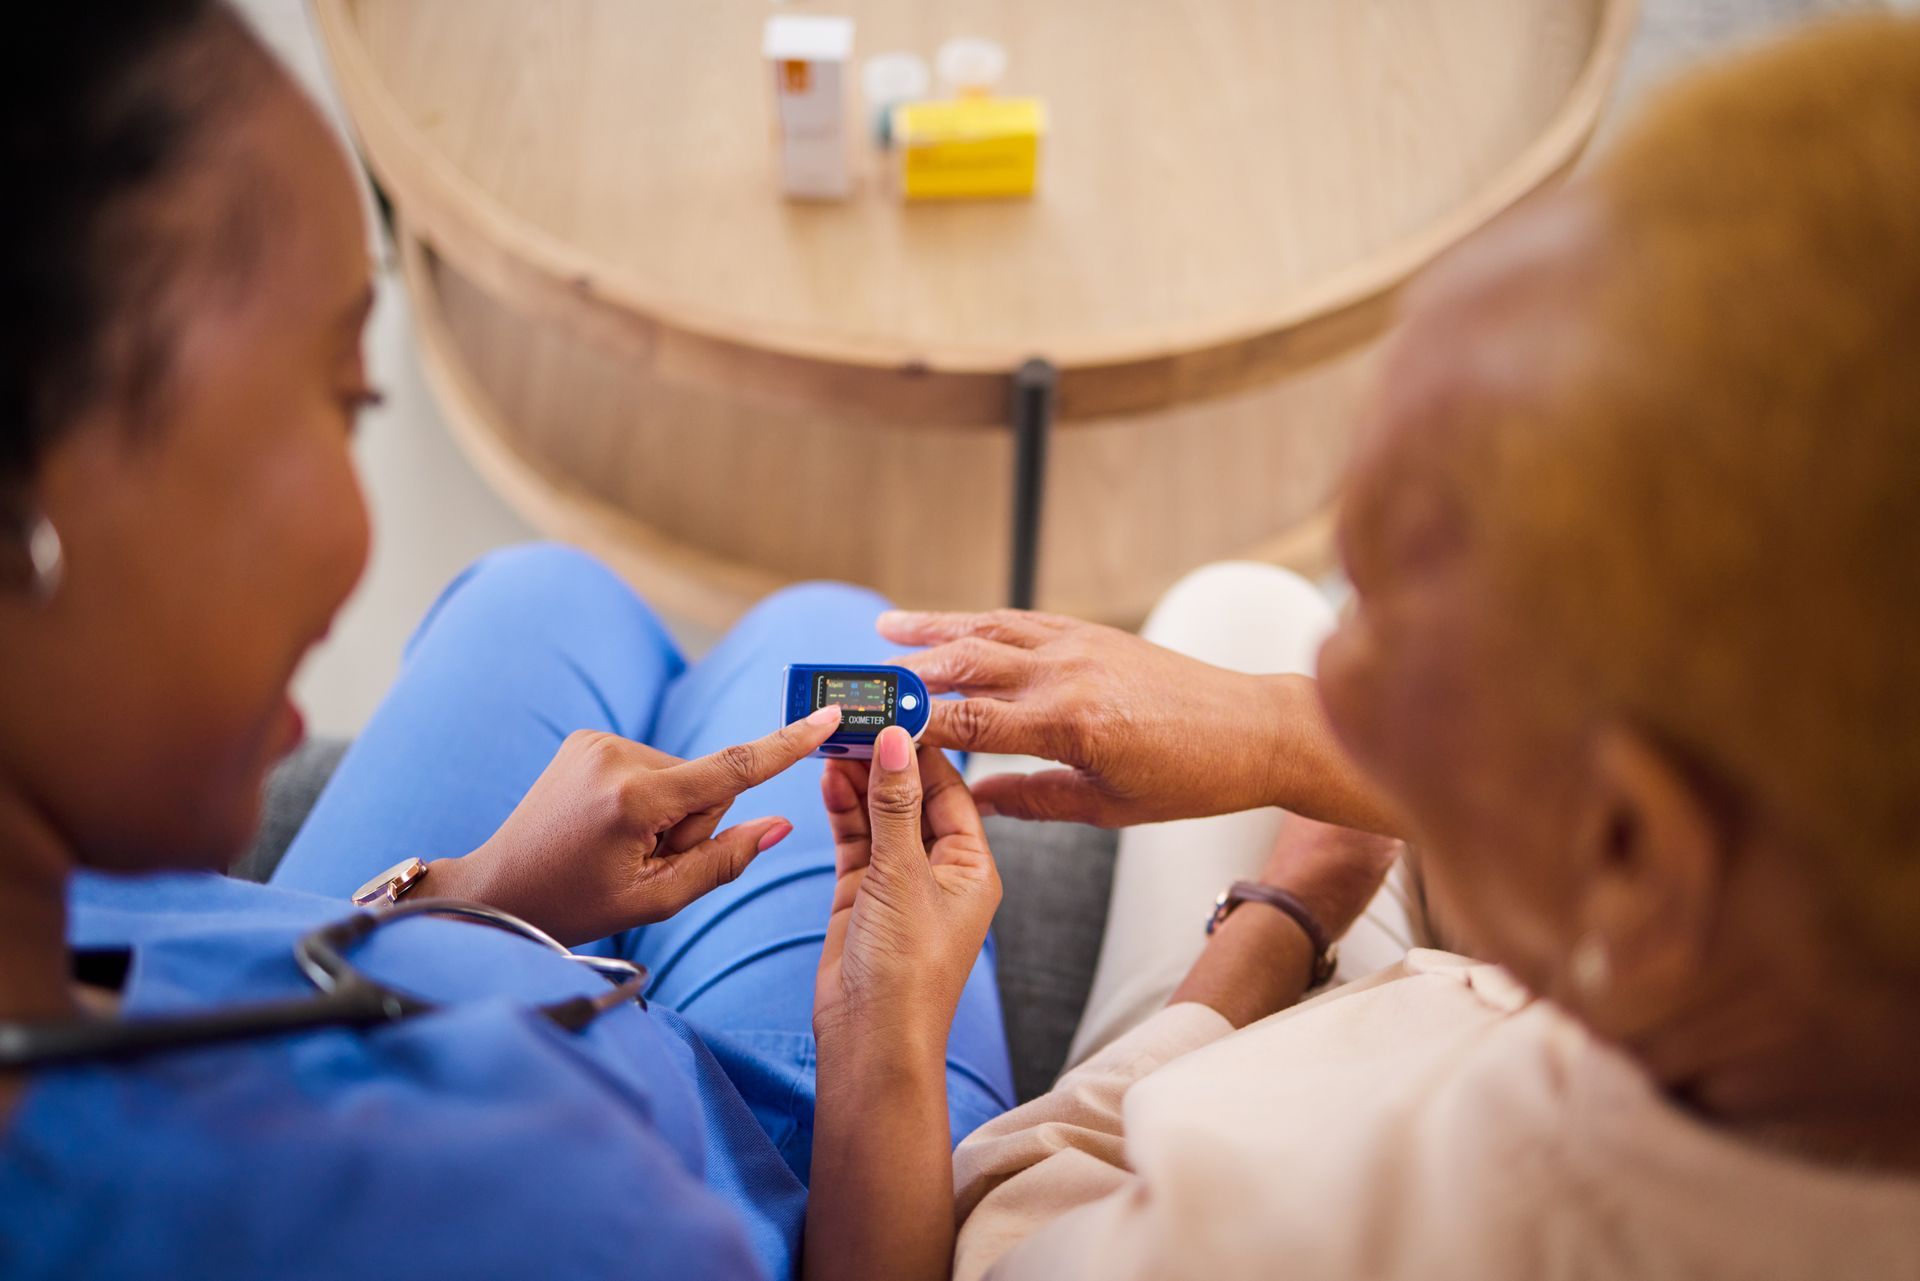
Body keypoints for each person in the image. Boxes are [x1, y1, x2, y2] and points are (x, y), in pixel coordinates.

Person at [871, 17, 1920, 1280]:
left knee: (1232, 613)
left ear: (1631, 853)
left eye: (1381, 608)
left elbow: (1004, 1238)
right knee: (1243, 611)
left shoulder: (1321, 1231)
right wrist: (1277, 738)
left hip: (1321, 1061)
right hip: (1502, 981)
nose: (1330, 681)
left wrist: (1276, 921)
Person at [0, 6, 1012, 1279]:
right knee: (820, 624)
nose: (365, 533)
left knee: (540, 588)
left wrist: (473, 897)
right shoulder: (519, 1211)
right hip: (778, 1177)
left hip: (447, 965)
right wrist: (882, 1042)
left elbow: (238, 975)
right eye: (338, 392)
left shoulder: (74, 912)